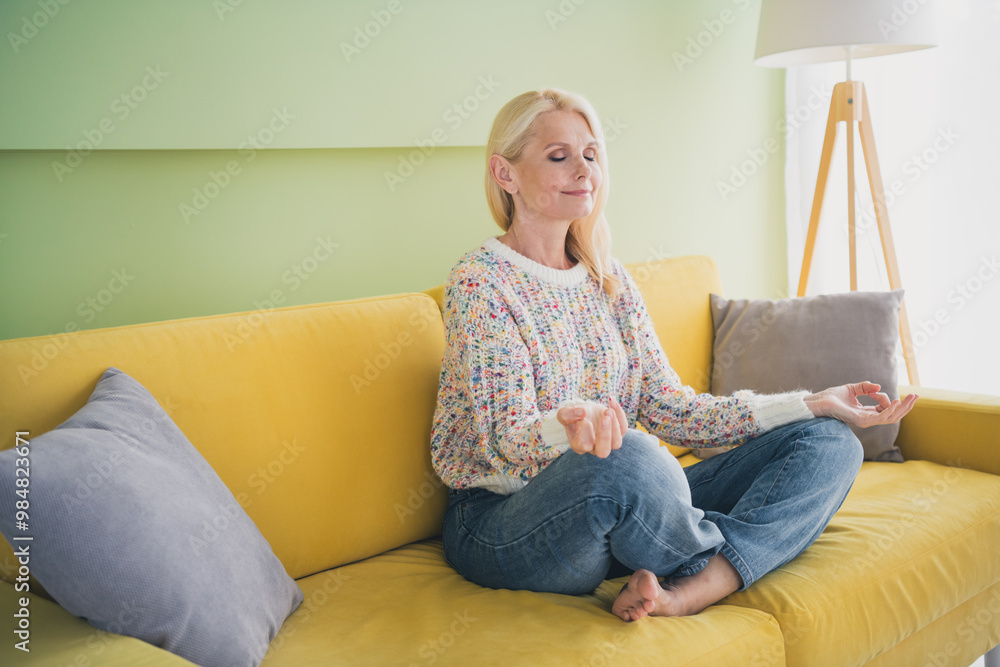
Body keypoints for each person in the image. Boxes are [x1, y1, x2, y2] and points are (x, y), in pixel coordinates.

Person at [429, 87, 918, 622]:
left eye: (590, 154)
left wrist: (811, 403)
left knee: (830, 442)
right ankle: (717, 561)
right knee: (628, 456)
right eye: (558, 156)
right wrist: (569, 426)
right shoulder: (481, 282)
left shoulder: (607, 279)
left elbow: (673, 410)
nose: (583, 170)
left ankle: (686, 589)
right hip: (506, 523)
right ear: (506, 174)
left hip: (614, 510)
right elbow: (503, 441)